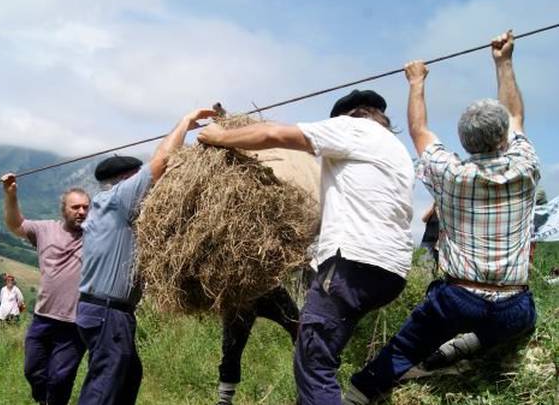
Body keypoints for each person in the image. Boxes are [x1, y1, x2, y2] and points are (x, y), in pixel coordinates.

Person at [345, 30, 539, 404]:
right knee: (524, 319)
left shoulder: (450, 174)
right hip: (513, 304)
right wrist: (504, 61)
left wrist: (417, 81)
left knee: (406, 346)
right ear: (504, 139)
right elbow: (514, 115)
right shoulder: (525, 165)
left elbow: (418, 130)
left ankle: (358, 394)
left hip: (457, 298)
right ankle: (463, 348)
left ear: (464, 143)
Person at [199, 87, 414, 404]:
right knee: (321, 353)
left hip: (351, 266)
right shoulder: (396, 149)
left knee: (313, 362)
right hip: (390, 272)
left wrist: (218, 135)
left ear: (348, 116)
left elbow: (273, 134)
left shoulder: (351, 128)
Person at [76, 107, 217, 405]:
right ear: (124, 181)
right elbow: (161, 161)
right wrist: (186, 122)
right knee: (105, 386)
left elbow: (157, 159)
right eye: (136, 178)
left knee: (127, 376)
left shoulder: (112, 205)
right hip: (107, 312)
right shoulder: (118, 200)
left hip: (107, 311)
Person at [2, 172, 91, 405]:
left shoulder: (95, 235)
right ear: (64, 209)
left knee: (60, 378)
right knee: (33, 371)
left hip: (75, 323)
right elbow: (16, 225)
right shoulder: (44, 229)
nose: (81, 212)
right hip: (42, 317)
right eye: (76, 207)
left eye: (85, 207)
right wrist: (11, 195)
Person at [217, 286, 299, 405]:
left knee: (300, 331)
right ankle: (224, 401)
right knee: (231, 347)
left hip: (270, 288)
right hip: (241, 295)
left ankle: (307, 392)